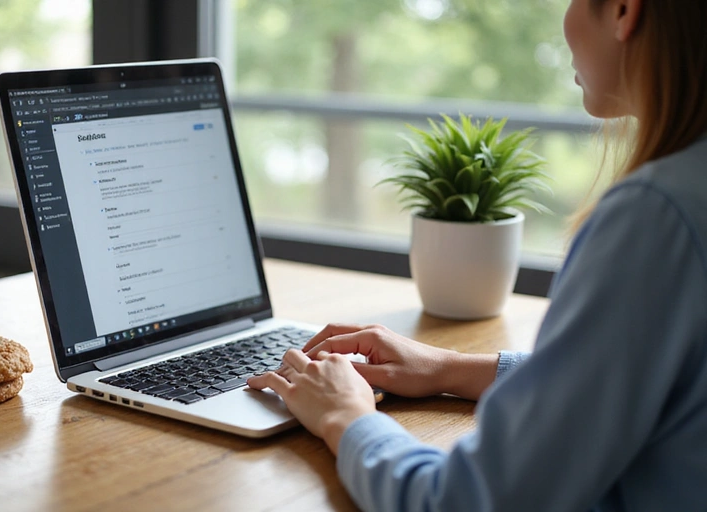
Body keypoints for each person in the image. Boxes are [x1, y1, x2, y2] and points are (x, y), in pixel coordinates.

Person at [247, 0, 707, 509]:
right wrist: (452, 368)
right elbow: (635, 376)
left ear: (624, 11)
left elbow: (469, 501)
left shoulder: (655, 217)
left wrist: (345, 417)